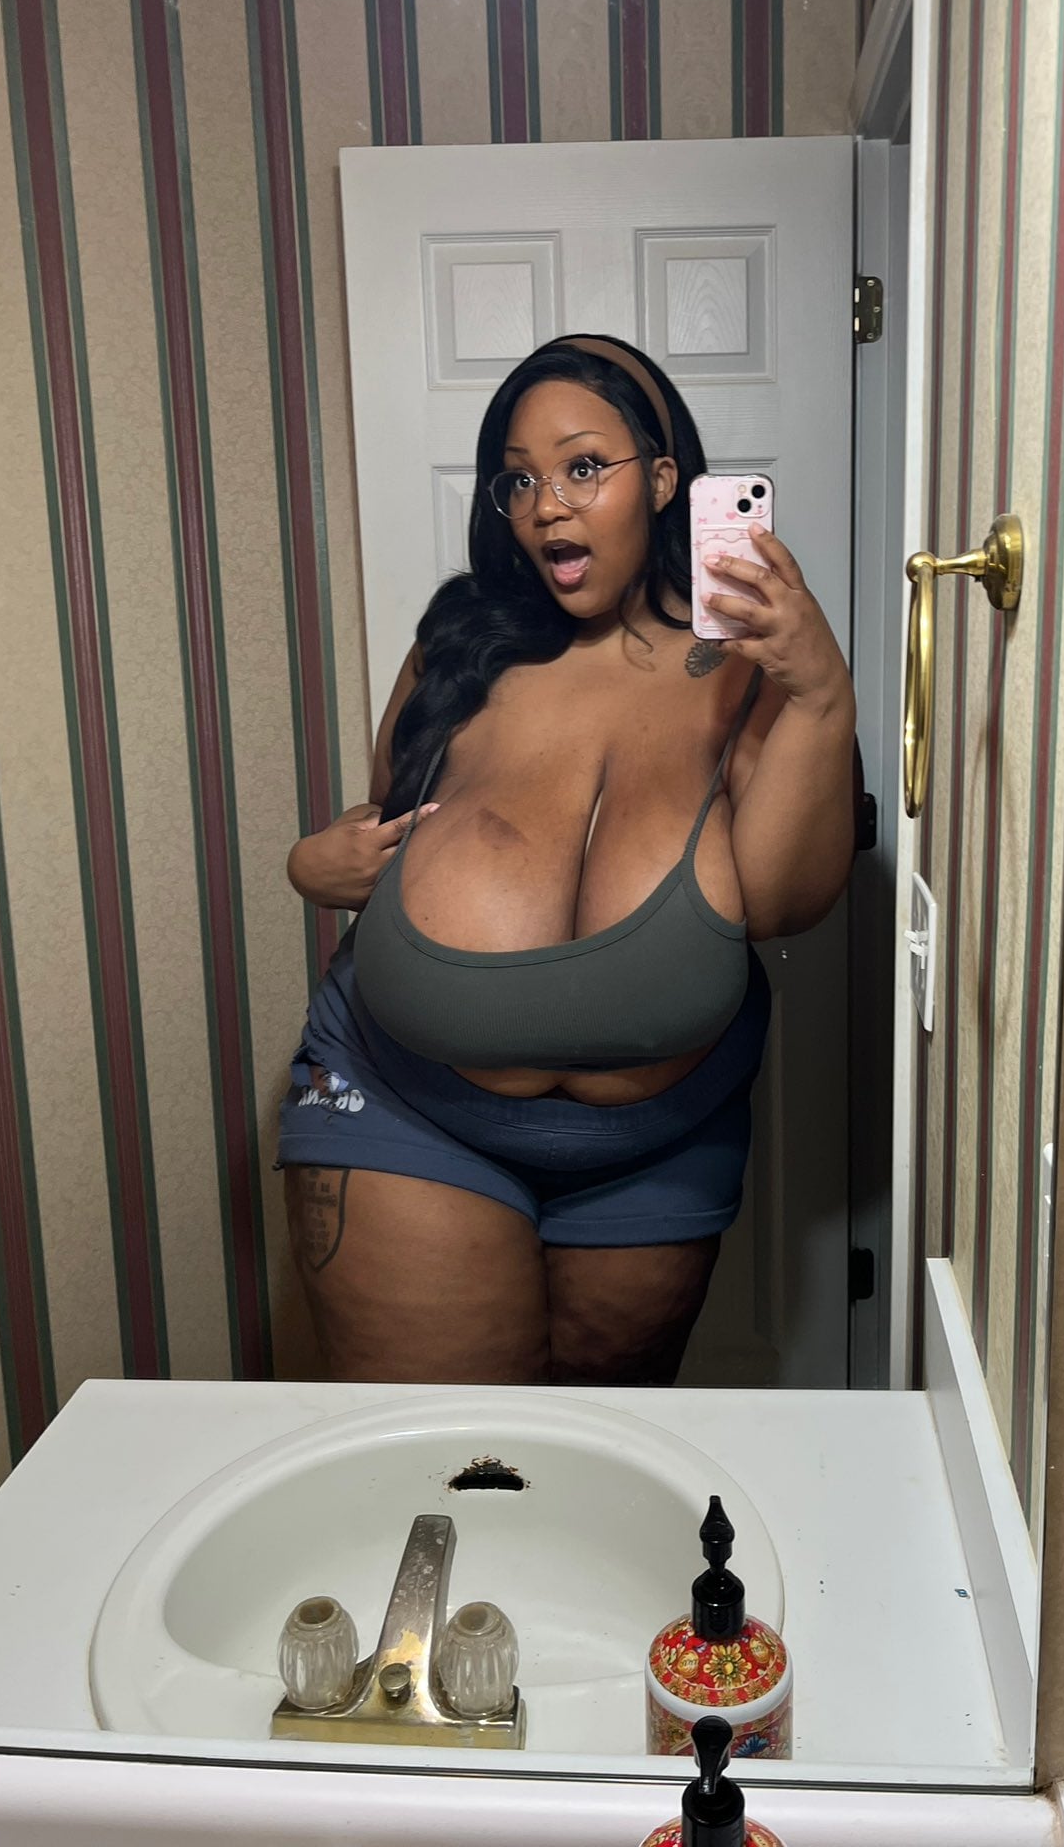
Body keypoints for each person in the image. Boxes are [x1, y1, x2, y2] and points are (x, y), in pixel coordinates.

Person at [279, 334, 855, 1386]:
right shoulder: (460, 643)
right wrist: (312, 866)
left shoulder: (748, 665)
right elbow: (397, 824)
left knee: (592, 1455)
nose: (547, 506)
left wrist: (819, 697)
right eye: (521, 480)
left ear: (664, 480)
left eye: (584, 467)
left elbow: (784, 900)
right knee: (445, 1456)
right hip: (402, 1109)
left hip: (657, 1148)